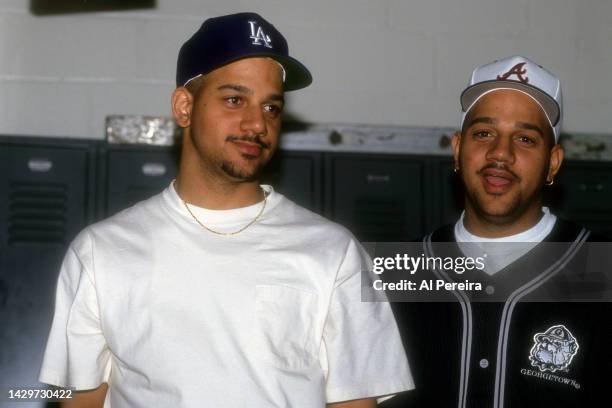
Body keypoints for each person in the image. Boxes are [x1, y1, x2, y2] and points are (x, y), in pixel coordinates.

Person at [38, 12, 413, 408]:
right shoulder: (101, 251)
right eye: (235, 99)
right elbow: (81, 401)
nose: (257, 124)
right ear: (184, 107)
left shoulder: (333, 251)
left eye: (271, 108)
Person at [383, 56, 612, 407]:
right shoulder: (400, 272)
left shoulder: (601, 267)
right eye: (484, 133)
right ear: (458, 150)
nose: (500, 153)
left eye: (524, 138)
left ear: (553, 162)